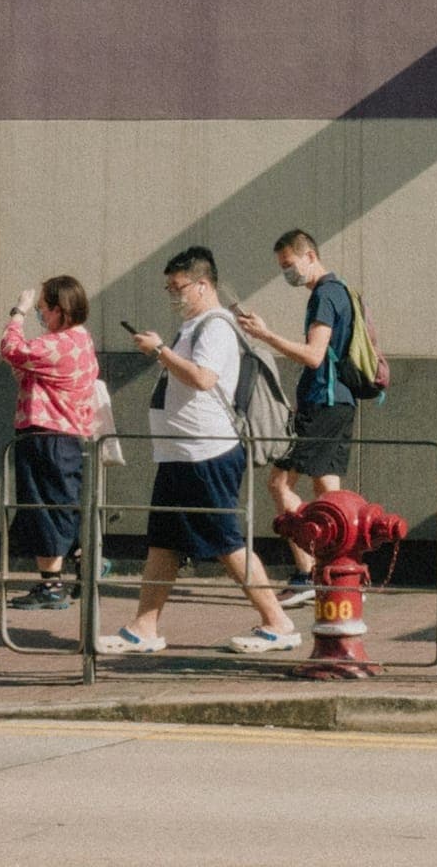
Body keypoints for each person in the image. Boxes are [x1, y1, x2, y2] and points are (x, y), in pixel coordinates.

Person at [95, 247, 299, 654]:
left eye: (179, 287)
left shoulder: (216, 326)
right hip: (180, 454)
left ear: (203, 285)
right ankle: (144, 626)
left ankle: (277, 622)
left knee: (227, 542)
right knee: (164, 541)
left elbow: (204, 378)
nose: (173, 295)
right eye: (169, 288)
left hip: (205, 453)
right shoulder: (193, 327)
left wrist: (159, 352)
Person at [237, 229, 356, 609]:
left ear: (310, 256)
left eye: (289, 264)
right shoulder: (340, 291)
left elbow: (314, 355)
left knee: (279, 483)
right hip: (339, 402)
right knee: (328, 493)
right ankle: (335, 571)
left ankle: (308, 574)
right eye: (282, 267)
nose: (287, 273)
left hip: (322, 403)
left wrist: (265, 335)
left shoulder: (324, 295)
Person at [0, 276, 100, 609]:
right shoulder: (81, 340)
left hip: (47, 436)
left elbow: (11, 349)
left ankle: (52, 586)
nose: (39, 314)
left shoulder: (59, 344)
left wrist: (18, 312)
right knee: (62, 504)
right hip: (68, 437)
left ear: (59, 310)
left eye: (42, 308)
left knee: (44, 508)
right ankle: (84, 560)